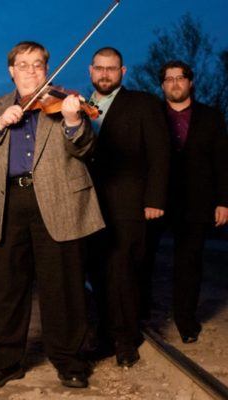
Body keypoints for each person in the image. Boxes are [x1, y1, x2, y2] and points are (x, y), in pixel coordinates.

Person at [0, 41, 104, 390]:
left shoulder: (64, 101)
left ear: (46, 69)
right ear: (11, 71)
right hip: (8, 201)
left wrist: (73, 120)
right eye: (23, 65)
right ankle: (5, 363)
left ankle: (69, 362)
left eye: (37, 64)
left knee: (63, 287)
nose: (30, 71)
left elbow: (86, 147)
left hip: (58, 201)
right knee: (6, 288)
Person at [86, 47, 170, 367]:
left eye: (112, 68)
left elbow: (160, 153)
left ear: (123, 72)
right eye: (100, 68)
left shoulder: (143, 103)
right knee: (97, 273)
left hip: (129, 204)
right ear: (91, 71)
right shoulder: (78, 106)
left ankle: (126, 340)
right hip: (89, 206)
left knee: (123, 273)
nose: (105, 74)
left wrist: (154, 199)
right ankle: (105, 336)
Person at [143, 60, 228, 343]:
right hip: (156, 199)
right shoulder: (152, 115)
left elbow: (222, 161)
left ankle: (186, 320)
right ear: (162, 85)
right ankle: (141, 313)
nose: (175, 83)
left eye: (180, 78)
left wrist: (223, 201)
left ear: (190, 82)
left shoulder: (211, 116)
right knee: (144, 257)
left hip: (196, 202)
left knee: (189, 264)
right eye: (169, 79)